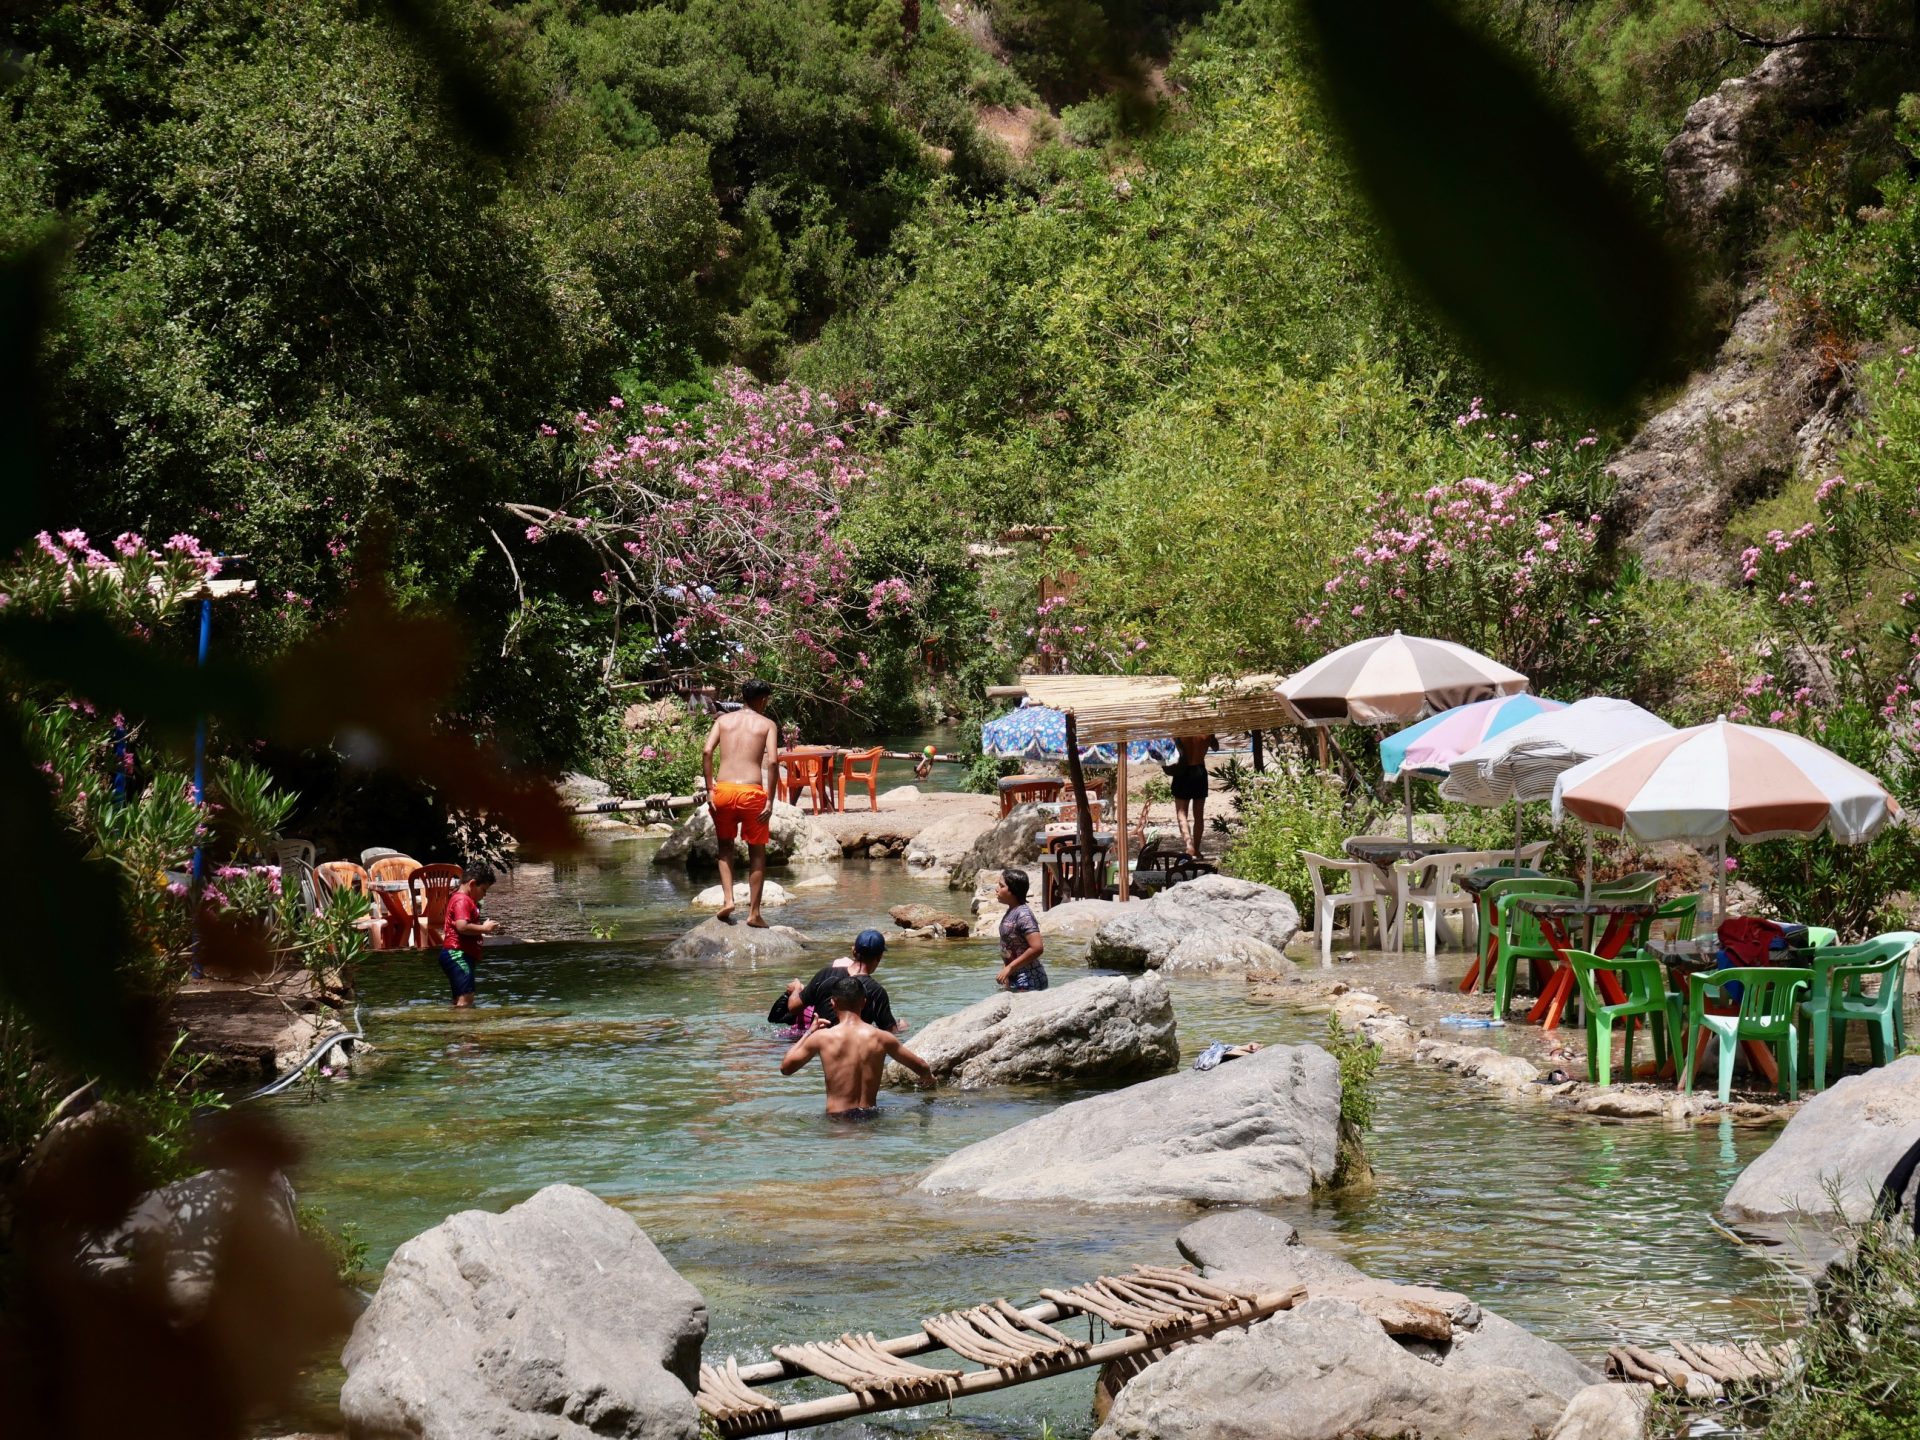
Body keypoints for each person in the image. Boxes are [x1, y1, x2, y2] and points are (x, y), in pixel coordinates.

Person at [780, 976, 935, 1118]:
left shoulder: (822, 1038)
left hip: (838, 1119)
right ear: (864, 1002)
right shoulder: (882, 1038)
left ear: (833, 1003)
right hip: (870, 1117)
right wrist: (928, 1080)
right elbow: (922, 1066)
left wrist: (809, 1032)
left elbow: (786, 1068)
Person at [701, 679, 780, 926]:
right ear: (763, 699)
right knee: (756, 851)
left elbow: (706, 751)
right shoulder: (767, 724)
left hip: (723, 791)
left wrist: (710, 790)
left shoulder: (722, 721)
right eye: (767, 700)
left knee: (725, 847)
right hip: (751, 793)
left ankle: (728, 900)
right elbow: (774, 762)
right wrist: (771, 800)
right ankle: (754, 914)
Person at [768, 929, 902, 1034]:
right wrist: (900, 1027)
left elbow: (793, 1007)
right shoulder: (877, 991)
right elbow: (891, 1033)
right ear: (879, 957)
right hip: (852, 1048)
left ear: (853, 951)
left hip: (820, 1043)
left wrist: (797, 989)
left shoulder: (825, 974)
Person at [438, 865, 499, 1008]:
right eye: (484, 890)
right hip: (457, 954)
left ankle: (456, 1027)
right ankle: (465, 1028)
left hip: (456, 954)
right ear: (472, 884)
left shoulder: (460, 898)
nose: (484, 895)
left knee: (460, 998)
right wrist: (484, 928)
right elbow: (462, 926)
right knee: (466, 998)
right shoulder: (462, 900)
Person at [994, 868, 1047, 992]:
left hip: (1029, 978)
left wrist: (1009, 968)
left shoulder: (1023, 914)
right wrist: (1006, 971)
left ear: (1013, 890)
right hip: (1015, 976)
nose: (997, 889)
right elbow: (1009, 947)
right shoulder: (1012, 911)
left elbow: (1037, 948)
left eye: (1001, 886)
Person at [1167, 734, 1215, 858]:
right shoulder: (1207, 730)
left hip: (1183, 771)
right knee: (1199, 815)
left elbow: (1169, 747)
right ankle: (1197, 849)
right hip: (1200, 770)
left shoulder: (1181, 730)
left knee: (1181, 813)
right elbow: (1215, 747)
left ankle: (1189, 846)